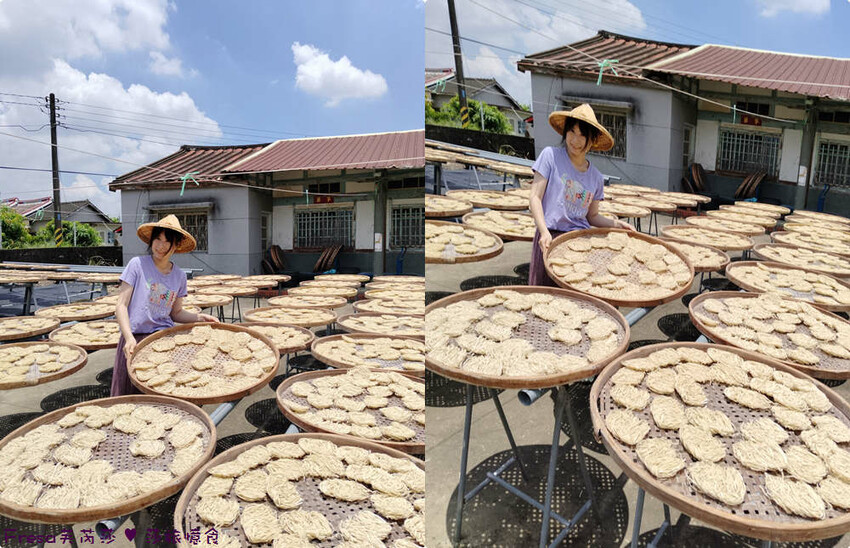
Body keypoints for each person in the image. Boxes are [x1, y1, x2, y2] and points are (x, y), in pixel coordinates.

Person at [528, 103, 636, 286]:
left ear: (591, 140)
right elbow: (534, 198)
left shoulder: (595, 177)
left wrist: (617, 224)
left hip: (580, 243)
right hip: (549, 239)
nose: (575, 140)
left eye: (582, 135)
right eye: (572, 132)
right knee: (544, 296)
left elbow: (592, 216)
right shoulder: (550, 156)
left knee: (574, 305)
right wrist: (544, 232)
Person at [111, 215, 219, 396]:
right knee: (129, 398)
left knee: (161, 396)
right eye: (157, 239)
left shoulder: (179, 276)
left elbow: (176, 313)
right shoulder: (137, 265)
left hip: (164, 340)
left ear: (175, 245)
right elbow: (121, 306)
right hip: (135, 341)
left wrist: (199, 318)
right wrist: (128, 337)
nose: (161, 246)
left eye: (167, 241)